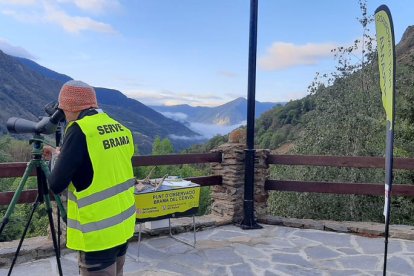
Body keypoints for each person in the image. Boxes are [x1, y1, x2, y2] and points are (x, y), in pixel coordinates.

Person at [45, 80, 136, 275]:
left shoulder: (80, 130)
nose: (64, 116)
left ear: (70, 107)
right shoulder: (120, 127)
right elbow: (102, 165)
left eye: (63, 109)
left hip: (98, 232)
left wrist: (55, 157)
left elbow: (56, 184)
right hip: (123, 225)